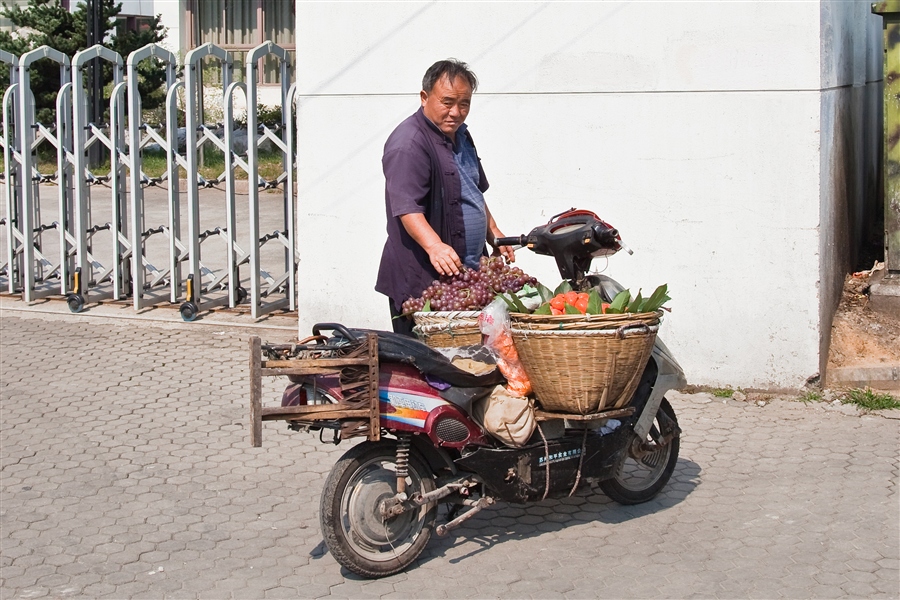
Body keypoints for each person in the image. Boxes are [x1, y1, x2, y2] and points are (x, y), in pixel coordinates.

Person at [376, 59, 515, 336]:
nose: (456, 112)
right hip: (424, 281)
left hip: (468, 273)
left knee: (473, 355)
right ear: (424, 97)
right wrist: (434, 246)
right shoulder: (409, 144)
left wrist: (494, 232)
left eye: (464, 104)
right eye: (447, 102)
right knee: (426, 357)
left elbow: (473, 189)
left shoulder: (461, 135)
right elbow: (407, 208)